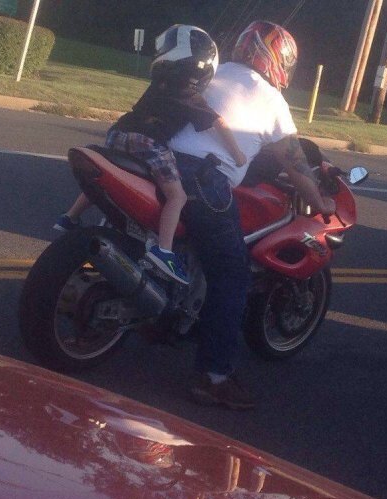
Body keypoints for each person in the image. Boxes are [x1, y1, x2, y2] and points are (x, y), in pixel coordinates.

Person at [167, 20, 335, 409]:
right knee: (233, 275)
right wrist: (321, 202)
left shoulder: (214, 72)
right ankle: (215, 377)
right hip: (201, 179)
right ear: (279, 60)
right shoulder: (271, 100)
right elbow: (296, 165)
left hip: (159, 160)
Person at [54, 25, 246, 285]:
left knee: (109, 176)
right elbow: (219, 123)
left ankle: (70, 217)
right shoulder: (192, 97)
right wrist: (238, 155)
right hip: (148, 142)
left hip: (118, 132)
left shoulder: (157, 84)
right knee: (177, 196)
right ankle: (163, 251)